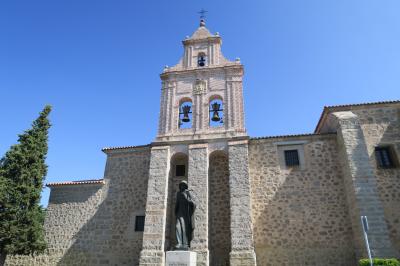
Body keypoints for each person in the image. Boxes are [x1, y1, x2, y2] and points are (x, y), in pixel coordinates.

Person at [175, 180, 196, 250]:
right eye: (181, 185)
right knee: (177, 227)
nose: (182, 186)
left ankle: (185, 244)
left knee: (185, 229)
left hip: (186, 214)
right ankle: (179, 243)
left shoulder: (188, 193)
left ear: (185, 186)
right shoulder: (178, 193)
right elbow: (177, 203)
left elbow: (193, 204)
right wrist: (175, 211)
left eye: (183, 185)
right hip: (179, 213)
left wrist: (187, 199)